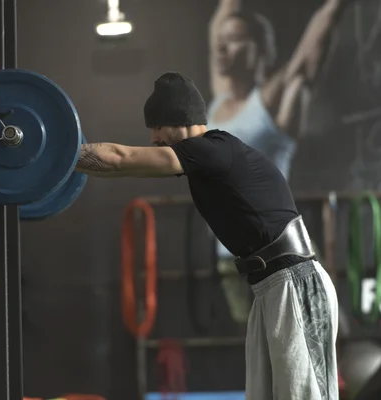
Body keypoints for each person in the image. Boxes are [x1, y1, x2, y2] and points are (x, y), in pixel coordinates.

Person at [75, 71, 339, 400]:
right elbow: (123, 164)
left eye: (155, 127)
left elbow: (119, 159)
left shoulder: (212, 150)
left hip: (295, 282)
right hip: (270, 287)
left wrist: (63, 154)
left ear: (175, 120)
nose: (154, 139)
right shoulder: (207, 157)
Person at [209, 0, 352, 261]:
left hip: (276, 250)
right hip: (230, 254)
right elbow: (225, 11)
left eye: (235, 39)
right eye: (221, 39)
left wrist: (334, 7)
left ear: (260, 50)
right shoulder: (221, 99)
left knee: (303, 304)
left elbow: (310, 51)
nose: (221, 47)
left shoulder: (275, 103)